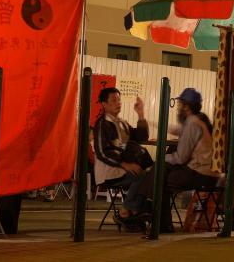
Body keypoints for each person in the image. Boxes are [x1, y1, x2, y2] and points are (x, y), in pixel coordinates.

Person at [138, 88, 220, 232]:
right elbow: (176, 129)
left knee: (159, 176)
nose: (178, 108)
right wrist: (146, 119)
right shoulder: (199, 119)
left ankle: (155, 218)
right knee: (161, 171)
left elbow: (181, 157)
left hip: (200, 174)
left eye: (180, 104)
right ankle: (151, 212)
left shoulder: (192, 122)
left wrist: (159, 160)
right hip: (208, 172)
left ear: (186, 106)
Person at [93, 87, 149, 223]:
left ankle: (136, 212)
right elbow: (102, 152)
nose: (118, 103)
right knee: (142, 176)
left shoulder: (122, 123)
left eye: (119, 100)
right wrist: (125, 164)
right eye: (114, 100)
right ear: (104, 104)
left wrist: (141, 114)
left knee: (151, 175)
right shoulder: (102, 124)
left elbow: (141, 137)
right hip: (110, 172)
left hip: (124, 168)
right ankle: (126, 210)